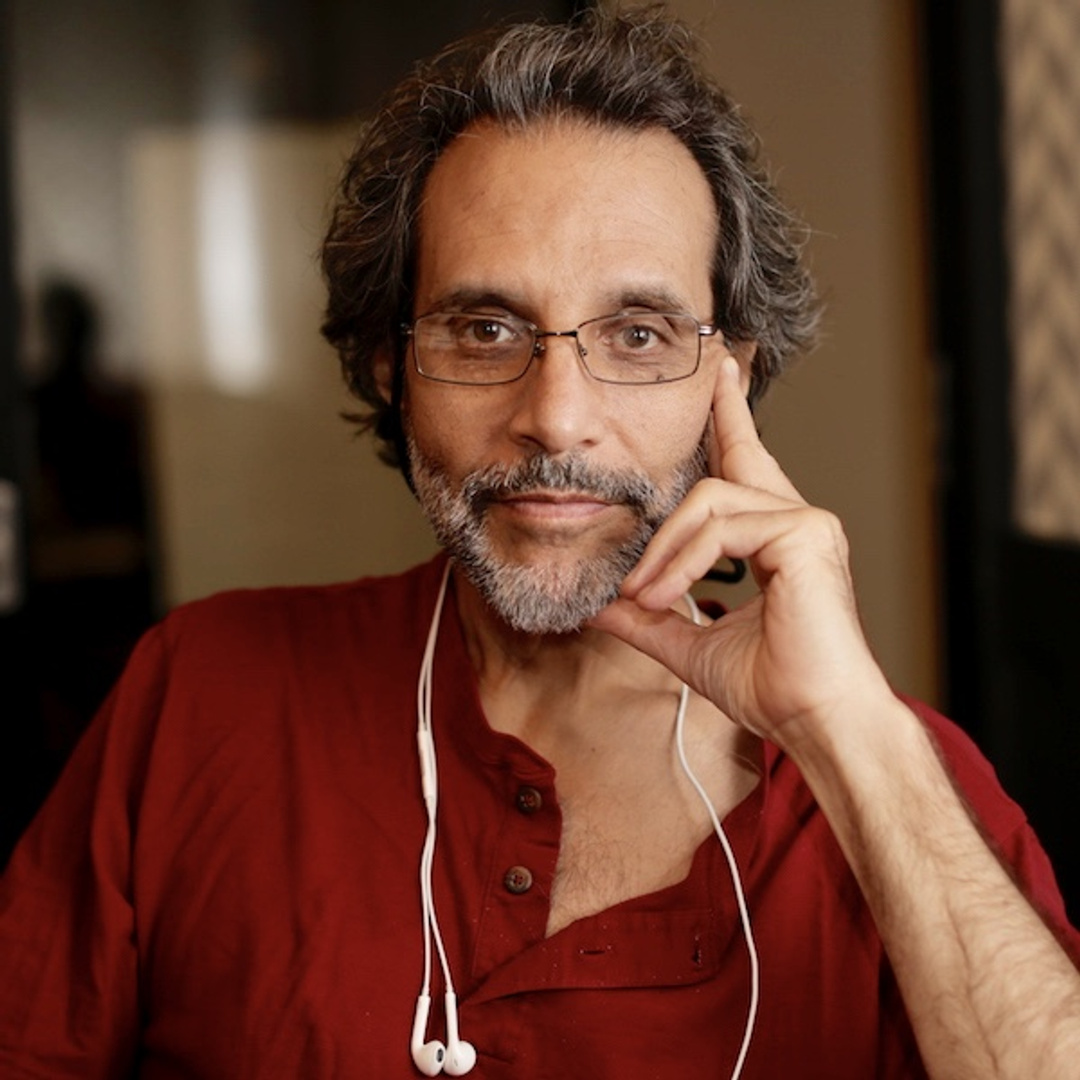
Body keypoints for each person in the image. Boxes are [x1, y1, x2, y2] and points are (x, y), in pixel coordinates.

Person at [2, 8, 1079, 1078]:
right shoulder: (200, 695)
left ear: (728, 379)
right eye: (485, 331)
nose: (557, 419)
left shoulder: (901, 782)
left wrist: (849, 730)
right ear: (391, 367)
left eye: (639, 334)